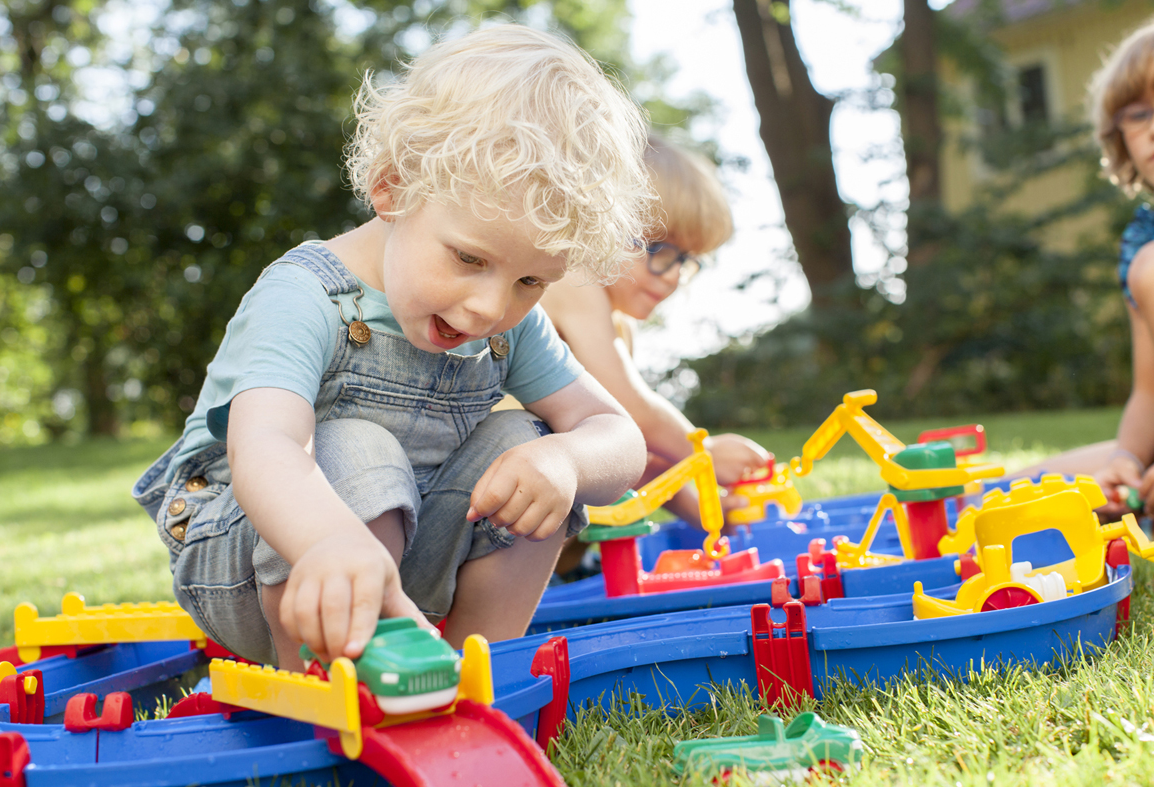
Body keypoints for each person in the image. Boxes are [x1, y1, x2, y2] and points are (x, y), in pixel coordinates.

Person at [131, 24, 654, 671]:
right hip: (259, 553)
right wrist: (327, 540)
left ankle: (476, 671)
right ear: (392, 188)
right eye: (469, 257)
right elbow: (264, 444)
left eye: (528, 281)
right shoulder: (306, 295)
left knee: (529, 441)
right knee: (353, 442)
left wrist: (568, 460)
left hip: (407, 551)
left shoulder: (506, 323)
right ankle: (335, 680)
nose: (490, 306)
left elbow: (618, 435)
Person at [539, 135, 770, 573]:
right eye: (659, 249)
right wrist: (702, 452)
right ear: (598, 222)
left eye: (687, 259)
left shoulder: (617, 324)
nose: (674, 276)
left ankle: (566, 570)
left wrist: (712, 513)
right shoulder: (572, 280)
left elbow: (637, 453)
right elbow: (633, 413)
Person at [1023, 23, 1154, 519]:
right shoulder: (1142, 243)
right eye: (1139, 114)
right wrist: (1127, 458)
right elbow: (1149, 391)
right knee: (1022, 493)